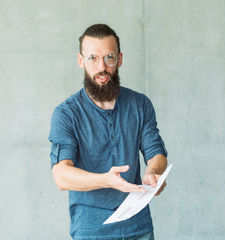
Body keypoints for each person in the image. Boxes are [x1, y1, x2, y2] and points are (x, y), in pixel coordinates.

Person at [48, 23, 168, 240]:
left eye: (109, 57)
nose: (101, 67)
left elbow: (156, 152)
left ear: (119, 59)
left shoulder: (140, 105)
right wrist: (107, 180)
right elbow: (61, 176)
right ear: (81, 61)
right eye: (92, 58)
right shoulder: (66, 114)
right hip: (91, 231)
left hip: (139, 229)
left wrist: (153, 171)